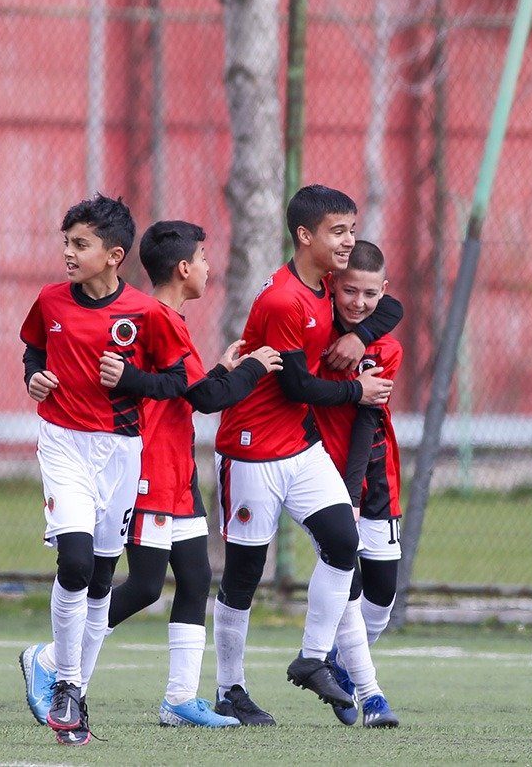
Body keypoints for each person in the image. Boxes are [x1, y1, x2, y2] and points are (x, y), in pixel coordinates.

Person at [21, 220, 282, 730]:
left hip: (176, 472)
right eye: (204, 258)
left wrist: (226, 370)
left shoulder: (162, 317)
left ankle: (180, 698)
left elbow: (188, 385)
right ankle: (56, 665)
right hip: (146, 470)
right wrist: (253, 368)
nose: (210, 267)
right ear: (184, 269)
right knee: (140, 585)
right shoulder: (153, 316)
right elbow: (203, 398)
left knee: (195, 577)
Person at [212, 184, 403, 725]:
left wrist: (363, 333)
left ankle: (314, 658)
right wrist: (357, 392)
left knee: (344, 542)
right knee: (245, 573)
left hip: (299, 445)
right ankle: (230, 689)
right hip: (251, 448)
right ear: (305, 236)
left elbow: (389, 302)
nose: (349, 240)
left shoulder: (326, 286)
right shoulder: (282, 300)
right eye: (338, 231)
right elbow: (295, 386)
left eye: (350, 229)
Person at [17, 194, 194, 747]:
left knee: (99, 579)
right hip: (63, 444)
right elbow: (33, 352)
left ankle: (73, 688)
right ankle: (66, 685)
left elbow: (177, 384)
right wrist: (35, 378)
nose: (68, 253)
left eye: (80, 244)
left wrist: (131, 381)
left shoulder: (147, 314)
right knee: (73, 562)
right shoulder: (50, 301)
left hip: (120, 453)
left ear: (114, 255)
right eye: (66, 242)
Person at [314, 239, 403, 728]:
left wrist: (364, 334)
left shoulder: (386, 344)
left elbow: (369, 420)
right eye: (350, 291)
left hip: (375, 470)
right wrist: (342, 498)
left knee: (383, 596)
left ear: (382, 291)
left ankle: (340, 665)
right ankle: (369, 692)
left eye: (370, 294)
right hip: (322, 469)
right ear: (333, 286)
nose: (359, 303)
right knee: (346, 575)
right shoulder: (313, 328)